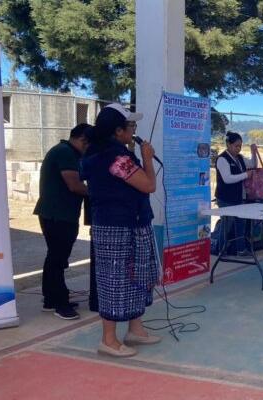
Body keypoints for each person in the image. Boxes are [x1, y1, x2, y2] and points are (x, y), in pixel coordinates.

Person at [81, 104, 160, 358]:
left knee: (138, 276)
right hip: (117, 227)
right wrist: (147, 157)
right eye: (131, 126)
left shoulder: (115, 153)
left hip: (132, 224)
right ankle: (108, 340)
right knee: (115, 281)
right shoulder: (114, 159)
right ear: (118, 131)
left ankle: (135, 328)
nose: (134, 130)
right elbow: (148, 185)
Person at [33, 123, 90, 320]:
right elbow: (74, 185)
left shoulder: (65, 151)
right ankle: (60, 304)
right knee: (57, 259)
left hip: (58, 214)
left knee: (55, 258)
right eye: (89, 144)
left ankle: (51, 299)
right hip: (58, 215)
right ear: (83, 140)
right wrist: (101, 192)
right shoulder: (66, 153)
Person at [215, 132, 258, 255]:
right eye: (236, 146)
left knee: (241, 223)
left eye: (240, 146)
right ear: (228, 144)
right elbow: (227, 178)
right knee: (226, 224)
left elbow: (253, 164)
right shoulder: (222, 159)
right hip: (225, 197)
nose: (238, 149)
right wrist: (245, 175)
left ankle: (241, 249)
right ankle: (220, 250)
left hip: (238, 197)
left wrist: (253, 152)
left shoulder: (239, 158)